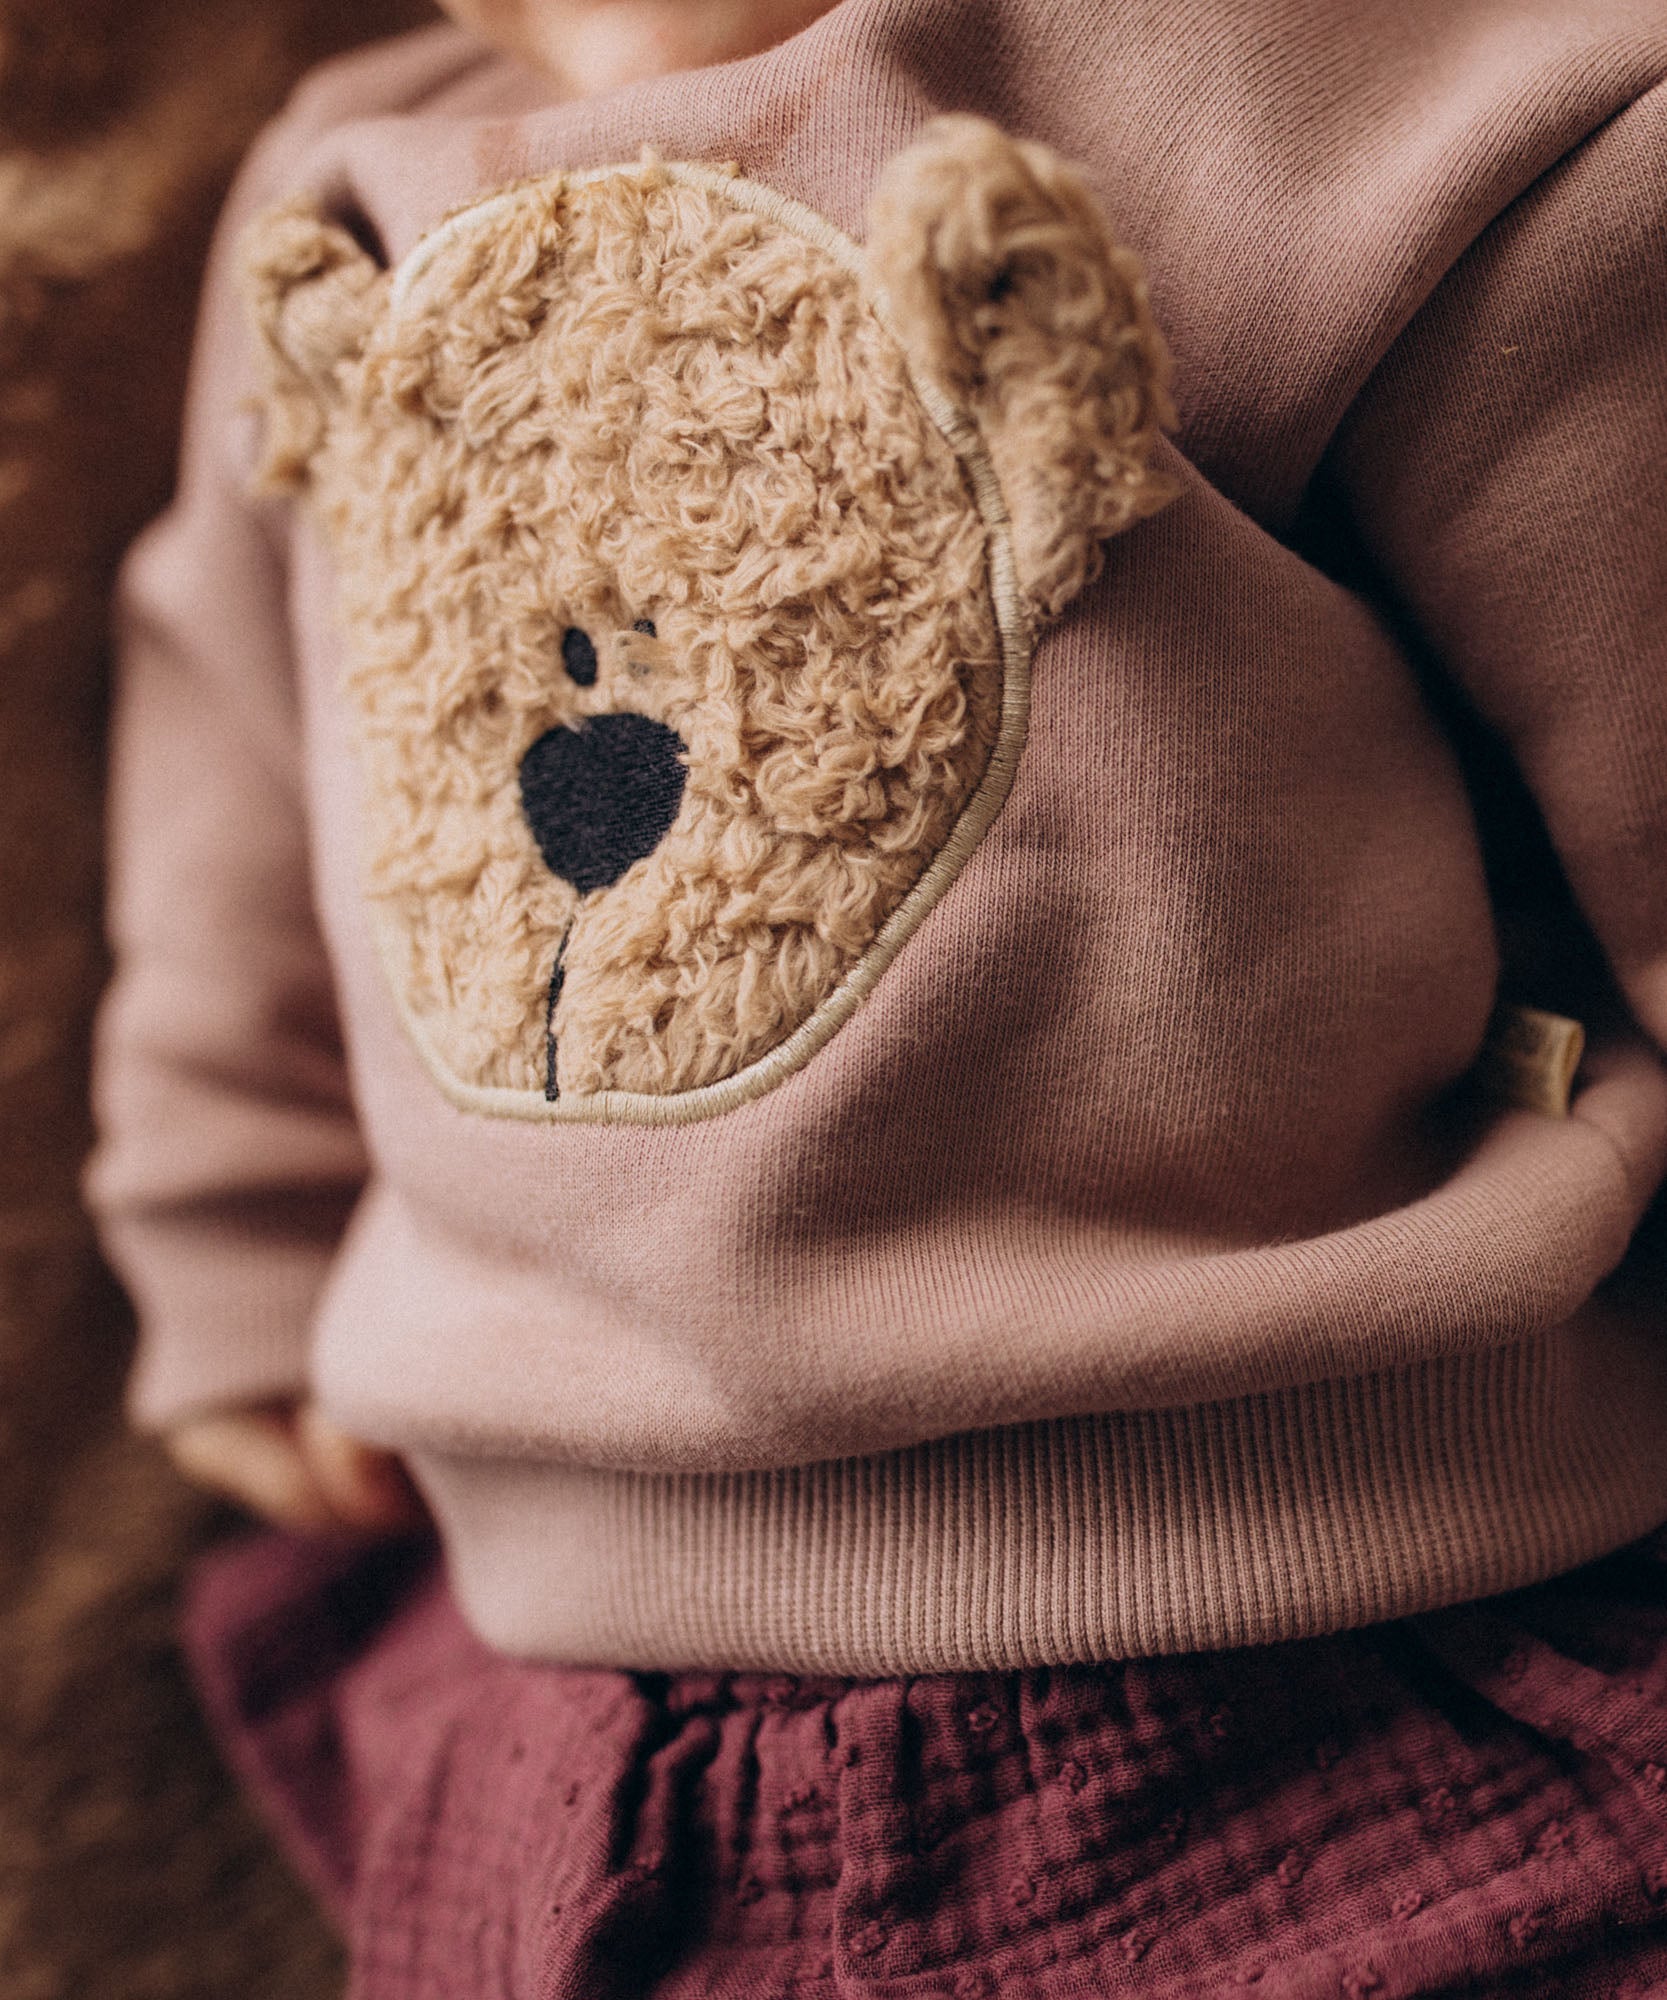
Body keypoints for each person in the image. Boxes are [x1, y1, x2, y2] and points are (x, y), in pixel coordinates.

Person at [87, 0, 1667, 1991]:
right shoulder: (337, 203)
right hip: (584, 1706)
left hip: (1336, 1618)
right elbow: (241, 732)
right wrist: (234, 1208)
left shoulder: (1322, 91)